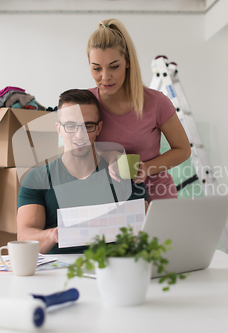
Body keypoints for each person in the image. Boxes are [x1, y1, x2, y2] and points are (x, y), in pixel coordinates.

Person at [17, 89, 148, 254]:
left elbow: (144, 230)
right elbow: (24, 238)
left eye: (88, 125)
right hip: (58, 275)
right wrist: (54, 234)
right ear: (59, 128)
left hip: (112, 269)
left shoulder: (123, 172)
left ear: (99, 128)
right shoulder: (37, 179)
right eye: (71, 126)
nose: (80, 135)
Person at [86, 19, 191, 201]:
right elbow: (73, 152)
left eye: (114, 66)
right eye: (96, 68)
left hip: (155, 194)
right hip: (107, 196)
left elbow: (183, 150)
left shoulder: (156, 102)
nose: (105, 77)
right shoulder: (85, 103)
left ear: (127, 62)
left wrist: (146, 169)